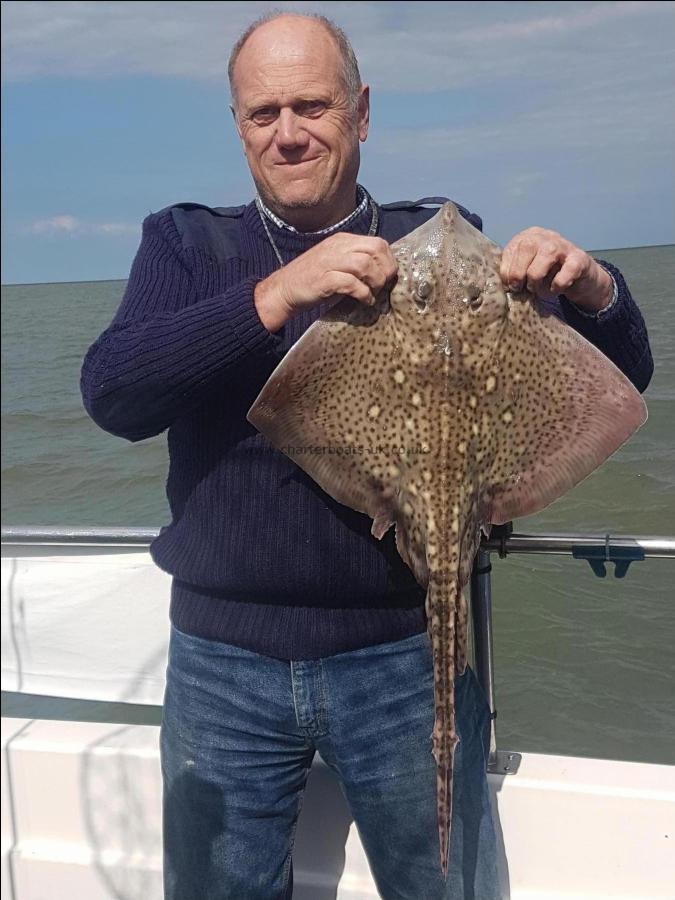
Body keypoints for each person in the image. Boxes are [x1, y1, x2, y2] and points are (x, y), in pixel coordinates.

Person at [80, 11, 653, 900]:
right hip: (223, 664)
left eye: (311, 105)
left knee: (447, 884)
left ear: (361, 112)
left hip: (403, 648)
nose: (288, 132)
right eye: (262, 112)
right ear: (237, 124)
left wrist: (592, 287)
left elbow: (620, 376)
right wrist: (271, 297)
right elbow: (113, 393)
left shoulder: (433, 239)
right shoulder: (187, 242)